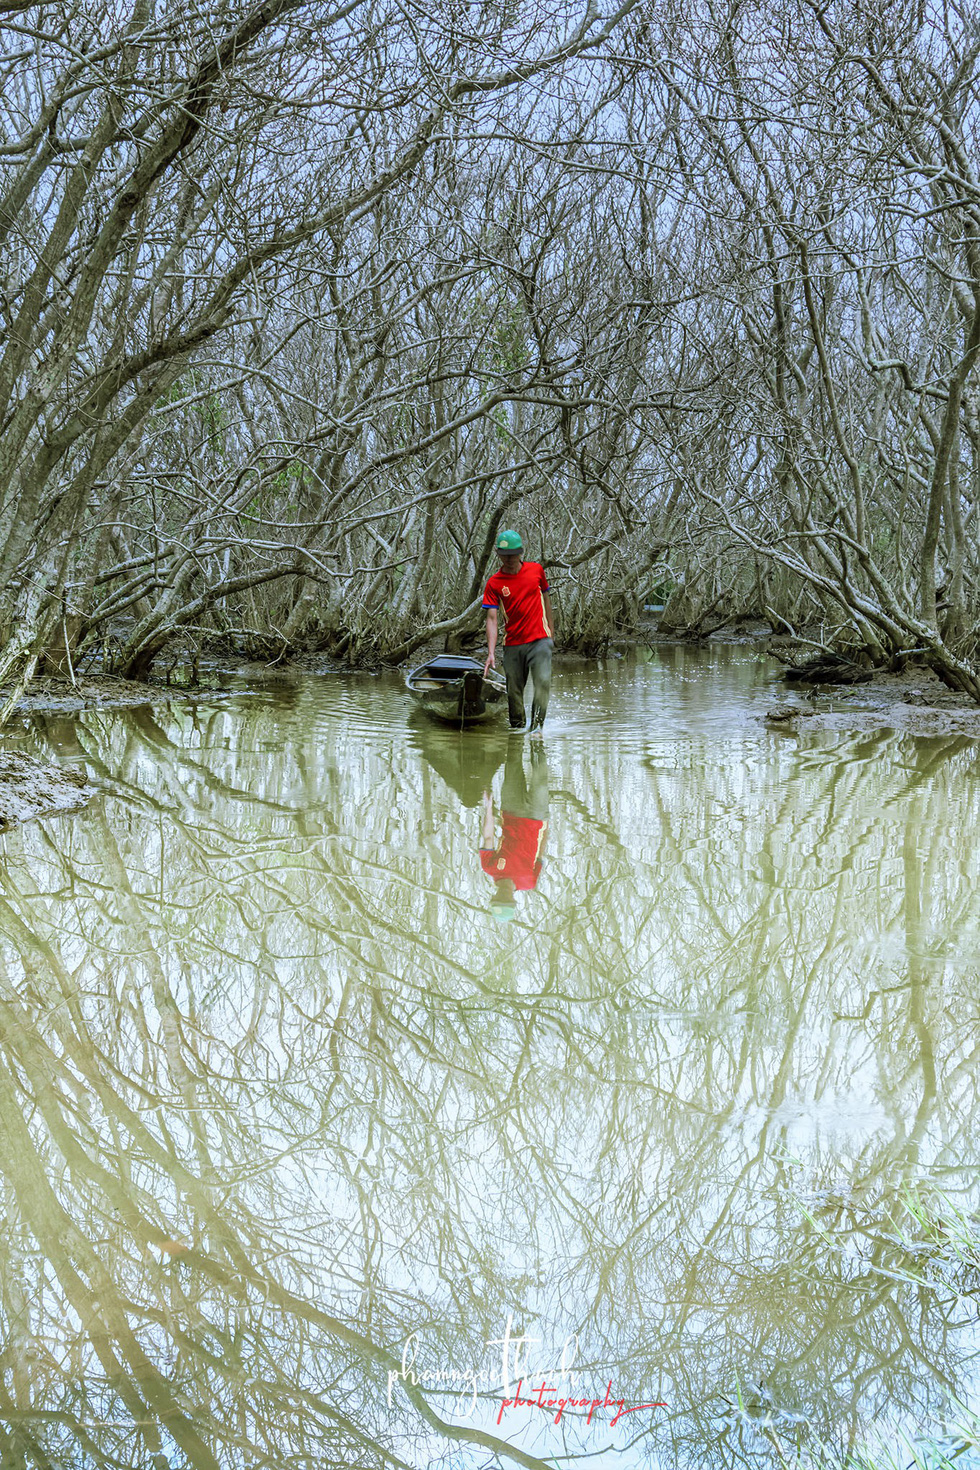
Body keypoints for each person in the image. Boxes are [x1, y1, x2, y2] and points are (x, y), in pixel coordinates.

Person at [482, 530, 554, 731]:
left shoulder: (536, 571)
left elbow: (546, 599)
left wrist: (551, 632)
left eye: (513, 554)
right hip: (513, 643)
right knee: (514, 692)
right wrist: (490, 652)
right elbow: (492, 619)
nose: (509, 559)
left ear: (521, 552)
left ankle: (537, 729)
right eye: (505, 555)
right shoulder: (494, 583)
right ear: (498, 554)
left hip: (540, 639)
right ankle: (517, 730)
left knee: (543, 682)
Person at [480, 742, 550, 921]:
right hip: (536, 816)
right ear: (512, 901)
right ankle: (537, 741)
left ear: (493, 897)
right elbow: (540, 854)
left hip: (511, 810)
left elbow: (488, 836)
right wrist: (546, 826)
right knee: (540, 777)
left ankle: (516, 732)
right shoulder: (529, 882)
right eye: (506, 900)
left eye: (498, 899)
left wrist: (488, 807)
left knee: (512, 762)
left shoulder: (489, 867)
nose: (502, 896)